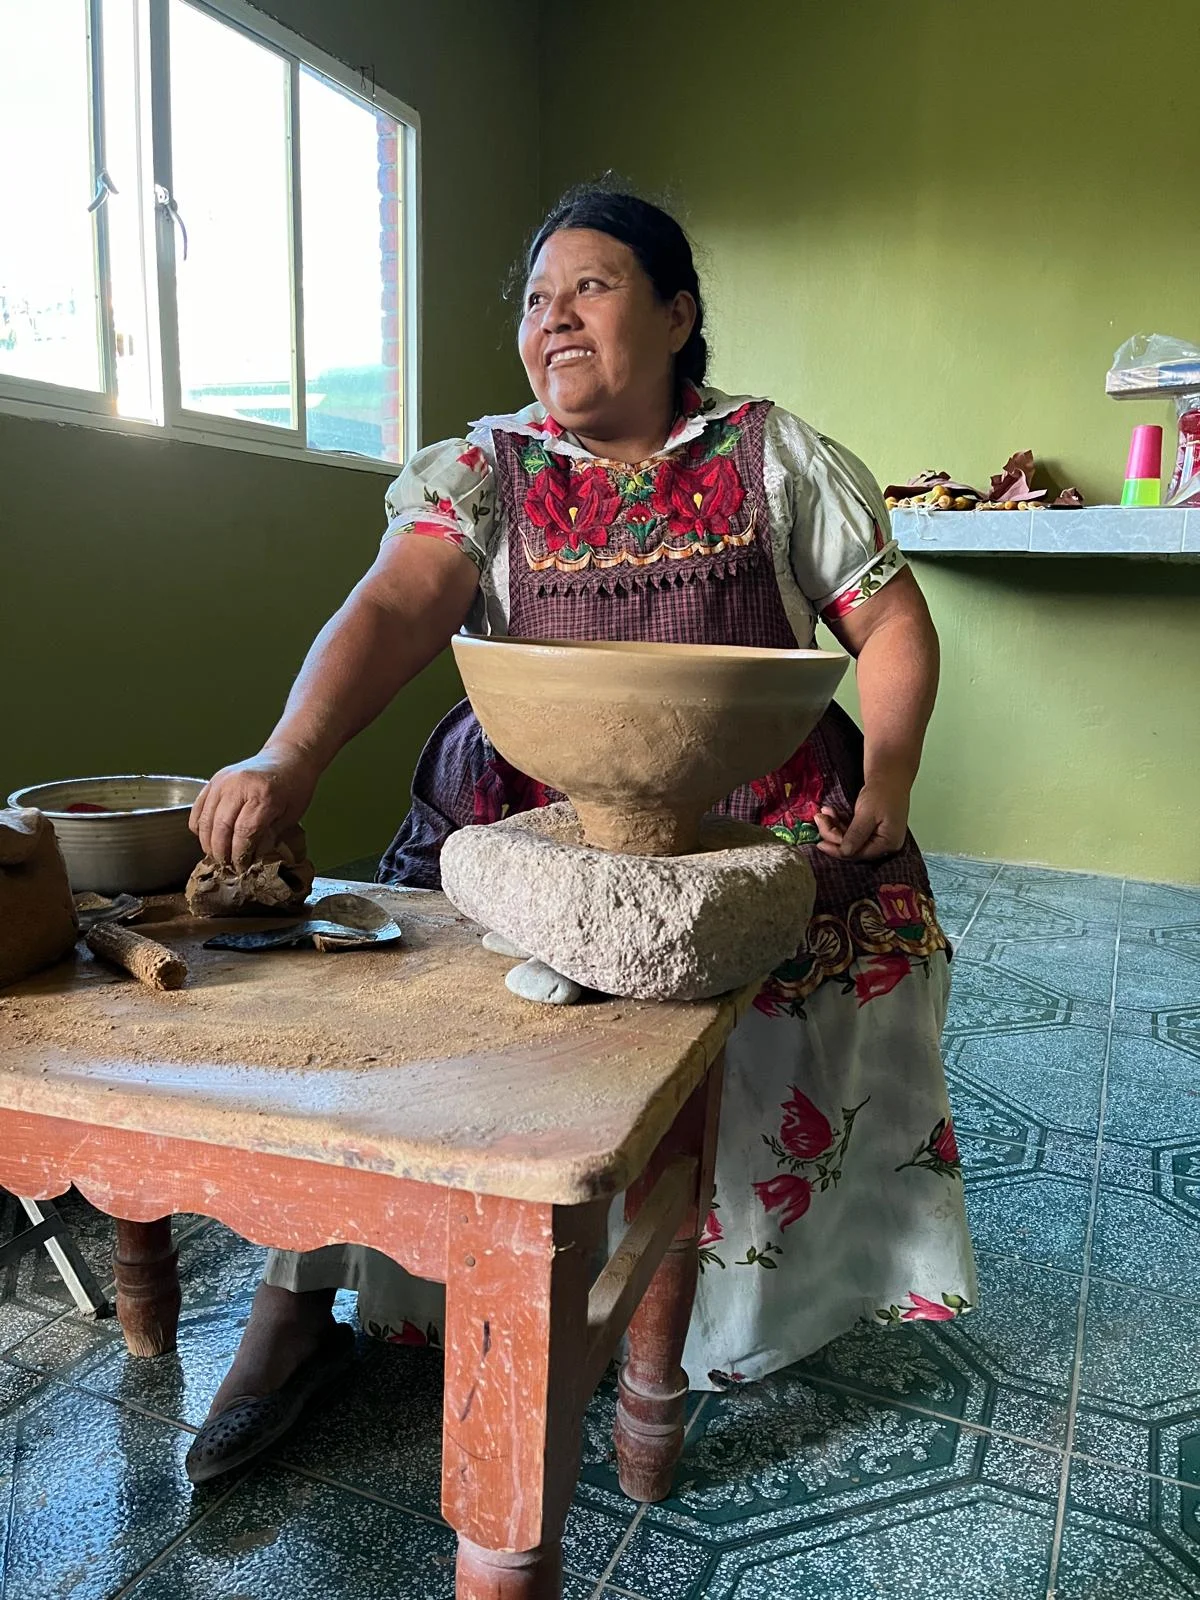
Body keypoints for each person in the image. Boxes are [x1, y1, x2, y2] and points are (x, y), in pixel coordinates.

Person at [184, 187, 976, 1484]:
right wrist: (292, 752)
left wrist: (889, 776)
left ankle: (698, 1323)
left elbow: (887, 625)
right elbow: (391, 611)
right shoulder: (486, 470)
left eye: (591, 289)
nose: (555, 318)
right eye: (537, 301)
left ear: (676, 315)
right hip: (523, 817)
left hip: (754, 824)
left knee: (817, 990)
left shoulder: (775, 459)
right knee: (406, 1021)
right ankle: (300, 1313)